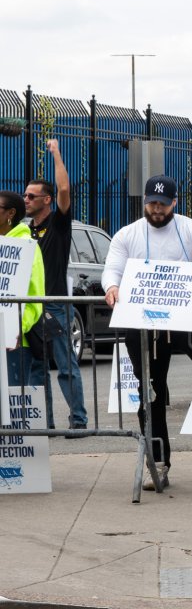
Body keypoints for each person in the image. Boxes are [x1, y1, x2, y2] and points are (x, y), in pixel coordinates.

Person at [102, 175, 192, 492]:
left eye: (162, 204)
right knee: (151, 391)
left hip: (186, 317)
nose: (157, 209)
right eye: (151, 203)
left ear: (175, 202)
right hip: (143, 324)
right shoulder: (127, 234)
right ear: (144, 201)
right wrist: (111, 287)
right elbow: (113, 267)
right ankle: (157, 464)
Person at [24, 139, 88, 434]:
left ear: (46, 200)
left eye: (32, 196)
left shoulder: (58, 225)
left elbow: (64, 190)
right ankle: (43, 423)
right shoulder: (24, 231)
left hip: (56, 306)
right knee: (37, 367)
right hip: (31, 307)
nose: (26, 199)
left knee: (65, 366)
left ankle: (78, 421)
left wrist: (57, 155)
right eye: (24, 196)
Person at [1, 191, 45, 388]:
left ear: (10, 213)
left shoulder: (26, 246)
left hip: (15, 342)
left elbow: (35, 294)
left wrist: (19, 327)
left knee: (12, 406)